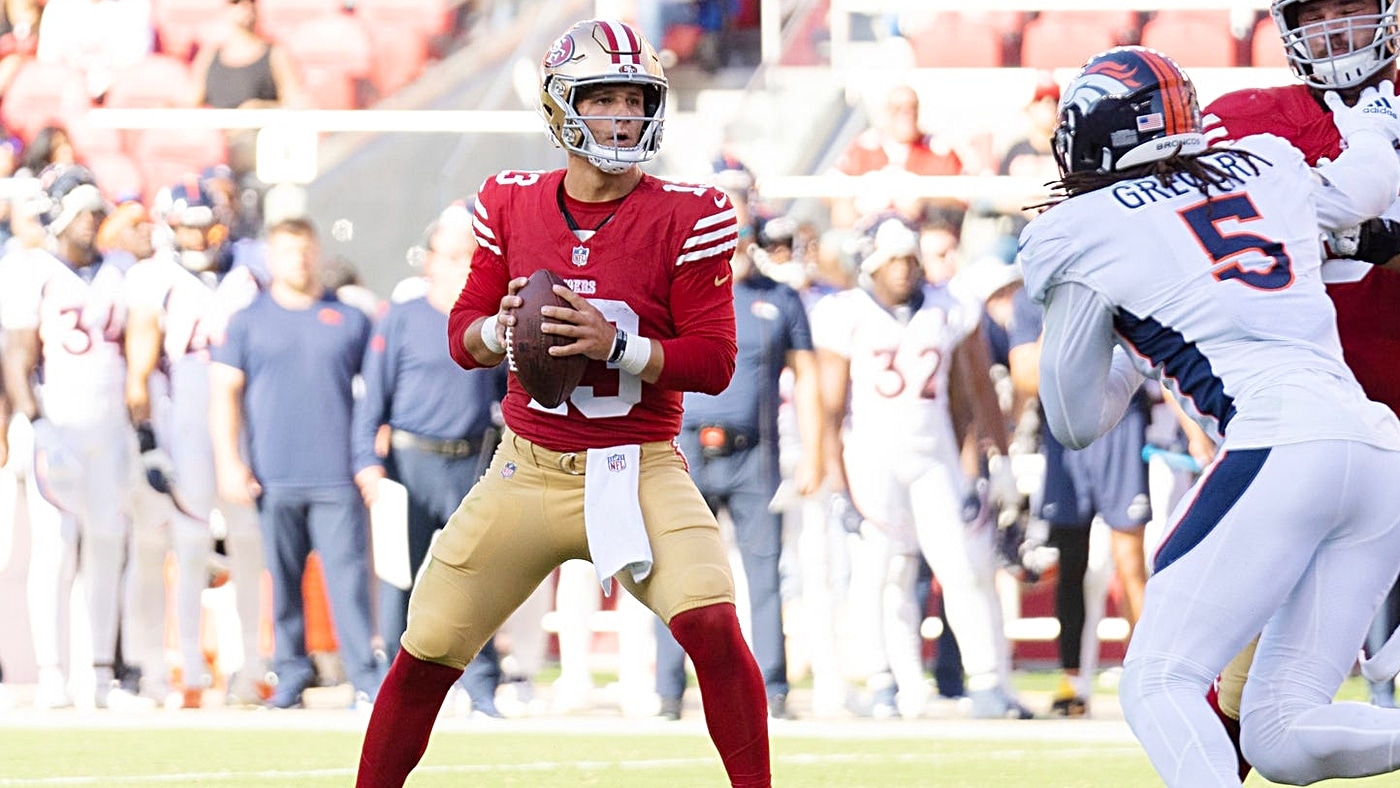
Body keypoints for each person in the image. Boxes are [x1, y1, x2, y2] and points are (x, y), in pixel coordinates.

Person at [356, 18, 769, 788]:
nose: (621, 116)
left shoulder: (691, 214)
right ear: (560, 109)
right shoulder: (511, 203)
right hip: (530, 468)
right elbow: (462, 337)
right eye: (602, 98)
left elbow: (713, 363)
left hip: (638, 465)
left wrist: (615, 346)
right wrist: (501, 327)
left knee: (712, 621)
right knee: (427, 647)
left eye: (634, 100)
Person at [1019, 45, 1400, 787]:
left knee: (1155, 680)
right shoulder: (1266, 162)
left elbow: (1073, 419)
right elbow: (1363, 187)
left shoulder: (1083, 229)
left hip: (1281, 445)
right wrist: (1376, 125)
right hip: (1378, 452)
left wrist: (1116, 338)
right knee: (1281, 735)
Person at [1199, 0, 1400, 767]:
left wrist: (1372, 238)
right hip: (1315, 431)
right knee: (1244, 694)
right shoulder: (1249, 119)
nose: (1338, 28)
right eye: (1318, 12)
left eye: (1354, 7)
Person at [811, 213, 1028, 720]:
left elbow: (973, 393)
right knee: (877, 573)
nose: (905, 270)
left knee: (965, 569)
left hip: (933, 456)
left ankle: (988, 683)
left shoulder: (950, 307)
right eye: (894, 261)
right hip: (871, 456)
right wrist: (834, 478)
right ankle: (886, 681)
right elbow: (828, 406)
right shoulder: (844, 313)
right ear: (869, 264)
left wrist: (995, 461)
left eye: (911, 259)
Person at [652, 195, 824, 723]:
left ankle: (772, 686)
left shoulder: (778, 299)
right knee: (674, 572)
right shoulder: (677, 293)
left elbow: (809, 376)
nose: (737, 247)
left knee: (764, 572)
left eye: (744, 235)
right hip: (685, 448)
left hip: (755, 453)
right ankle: (668, 690)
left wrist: (815, 452)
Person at [209, 217, 382, 709]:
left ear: (318, 253)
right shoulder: (247, 319)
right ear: (269, 257)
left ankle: (364, 676)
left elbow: (376, 395)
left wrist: (371, 453)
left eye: (305, 251)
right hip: (273, 475)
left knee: (347, 582)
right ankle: (289, 675)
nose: (298, 260)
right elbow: (224, 393)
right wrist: (229, 461)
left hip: (337, 476)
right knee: (281, 584)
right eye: (287, 251)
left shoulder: (349, 318)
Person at [0, 164, 154, 709]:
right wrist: (36, 424)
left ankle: (100, 674)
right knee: (56, 547)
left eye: (96, 212)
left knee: (109, 544)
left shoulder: (119, 269)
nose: (94, 223)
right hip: (56, 425)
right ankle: (51, 674)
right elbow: (16, 358)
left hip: (109, 427)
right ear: (61, 212)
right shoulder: (29, 269)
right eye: (86, 212)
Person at [350, 201, 508, 718]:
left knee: (476, 579)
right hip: (410, 461)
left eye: (471, 255)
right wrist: (366, 462)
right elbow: (372, 397)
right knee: (403, 580)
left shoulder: (491, 320)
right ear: (431, 260)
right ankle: (395, 693)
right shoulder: (401, 317)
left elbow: (507, 395)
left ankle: (482, 688)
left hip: (472, 462)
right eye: (452, 255)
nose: (461, 265)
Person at [125, 180, 269, 707]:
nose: (202, 234)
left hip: (242, 420)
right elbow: (139, 373)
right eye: (190, 224)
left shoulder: (251, 269)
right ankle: (188, 664)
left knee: (248, 542)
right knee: (187, 546)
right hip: (184, 419)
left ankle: (251, 663)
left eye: (207, 221)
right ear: (170, 226)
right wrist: (147, 442)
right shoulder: (152, 278)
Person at [1006, 279, 1152, 717]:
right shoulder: (1035, 292)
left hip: (1121, 425)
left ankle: (1149, 678)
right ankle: (1074, 683)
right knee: (1069, 563)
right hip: (1064, 428)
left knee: (1130, 561)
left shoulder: (1117, 276)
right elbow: (1026, 375)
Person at [189, 0, 302, 176]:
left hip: (257, 149)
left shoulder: (275, 54)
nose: (245, 9)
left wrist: (258, 109)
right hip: (218, 148)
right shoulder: (210, 55)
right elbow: (190, 101)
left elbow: (295, 104)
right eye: (237, 3)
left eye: (250, 3)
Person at [829, 84, 966, 229]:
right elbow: (829, 186)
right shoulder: (864, 145)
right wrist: (851, 201)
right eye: (897, 108)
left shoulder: (938, 149)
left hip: (923, 231)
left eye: (912, 107)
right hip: (868, 229)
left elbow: (962, 197)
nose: (906, 113)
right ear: (886, 111)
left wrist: (924, 197)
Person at [35, 0, 153, 101]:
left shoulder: (136, 6)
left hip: (123, 102)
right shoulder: (58, 7)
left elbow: (136, 63)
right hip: (68, 102)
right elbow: (47, 65)